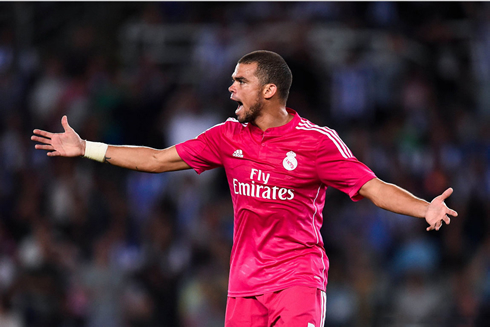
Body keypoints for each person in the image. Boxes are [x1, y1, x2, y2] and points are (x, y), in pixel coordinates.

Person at [31, 50, 458, 327]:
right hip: (244, 284)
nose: (231, 87)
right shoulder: (227, 136)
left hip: (297, 278)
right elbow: (159, 159)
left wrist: (424, 209)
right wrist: (88, 148)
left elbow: (371, 187)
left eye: (241, 81)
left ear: (269, 90)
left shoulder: (316, 142)